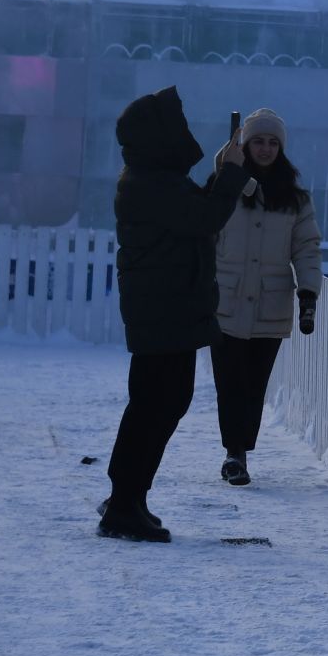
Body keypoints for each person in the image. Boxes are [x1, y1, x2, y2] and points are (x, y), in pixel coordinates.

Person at [100, 87, 251, 543]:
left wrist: (224, 173)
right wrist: (231, 176)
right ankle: (125, 503)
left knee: (158, 403)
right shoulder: (147, 182)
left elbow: (193, 214)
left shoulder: (153, 177)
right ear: (159, 135)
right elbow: (203, 219)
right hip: (164, 310)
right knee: (156, 405)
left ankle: (128, 498)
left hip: (169, 309)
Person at [209, 108, 323, 487]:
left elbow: (306, 247)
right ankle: (234, 454)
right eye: (258, 140)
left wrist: (308, 294)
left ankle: (241, 448)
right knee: (229, 381)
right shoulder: (222, 186)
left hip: (270, 304)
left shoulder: (294, 198)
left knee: (254, 384)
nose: (265, 148)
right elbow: (203, 234)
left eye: (273, 142)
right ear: (244, 144)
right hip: (224, 301)